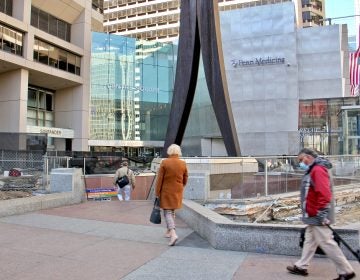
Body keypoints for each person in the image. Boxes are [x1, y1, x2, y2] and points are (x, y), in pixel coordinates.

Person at [286, 148, 355, 280]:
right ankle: (301, 266)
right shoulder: (313, 169)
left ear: (308, 157)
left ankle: (346, 271)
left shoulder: (317, 170)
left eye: (301, 160)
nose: (300, 163)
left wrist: (322, 213)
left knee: (327, 242)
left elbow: (324, 193)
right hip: (313, 215)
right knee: (309, 240)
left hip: (318, 215)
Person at [155, 144, 188, 246]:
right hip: (177, 190)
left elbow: (159, 180)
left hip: (166, 190)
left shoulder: (165, 162)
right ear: (179, 152)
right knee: (172, 210)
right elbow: (185, 178)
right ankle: (169, 231)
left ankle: (173, 233)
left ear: (169, 151)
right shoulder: (183, 163)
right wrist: (181, 186)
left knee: (167, 212)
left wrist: (157, 193)